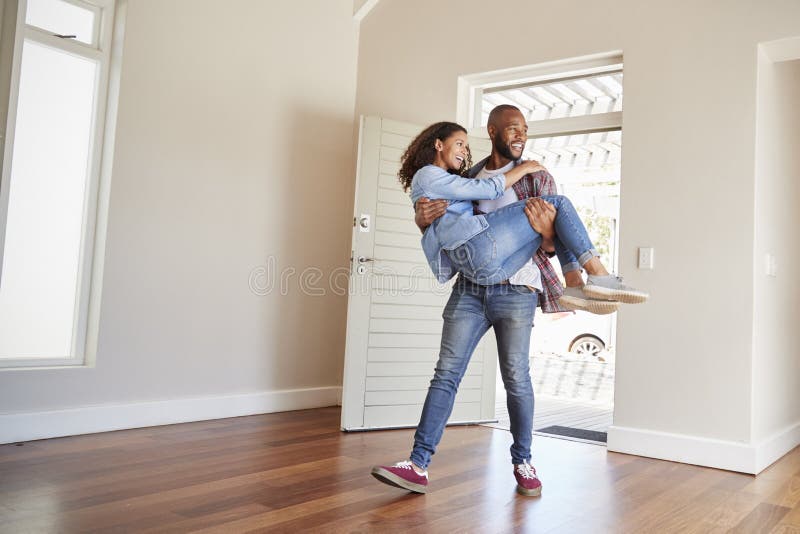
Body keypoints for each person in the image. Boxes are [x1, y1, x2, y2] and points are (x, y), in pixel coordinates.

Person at [371, 106, 644, 497]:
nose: (521, 136)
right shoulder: (466, 174)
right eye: (513, 128)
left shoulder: (537, 176)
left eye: (525, 130)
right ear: (494, 131)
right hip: (470, 288)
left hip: (517, 289)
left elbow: (551, 242)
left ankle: (523, 461)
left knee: (517, 379)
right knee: (445, 374)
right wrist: (422, 218)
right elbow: (445, 221)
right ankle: (417, 465)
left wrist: (546, 231)